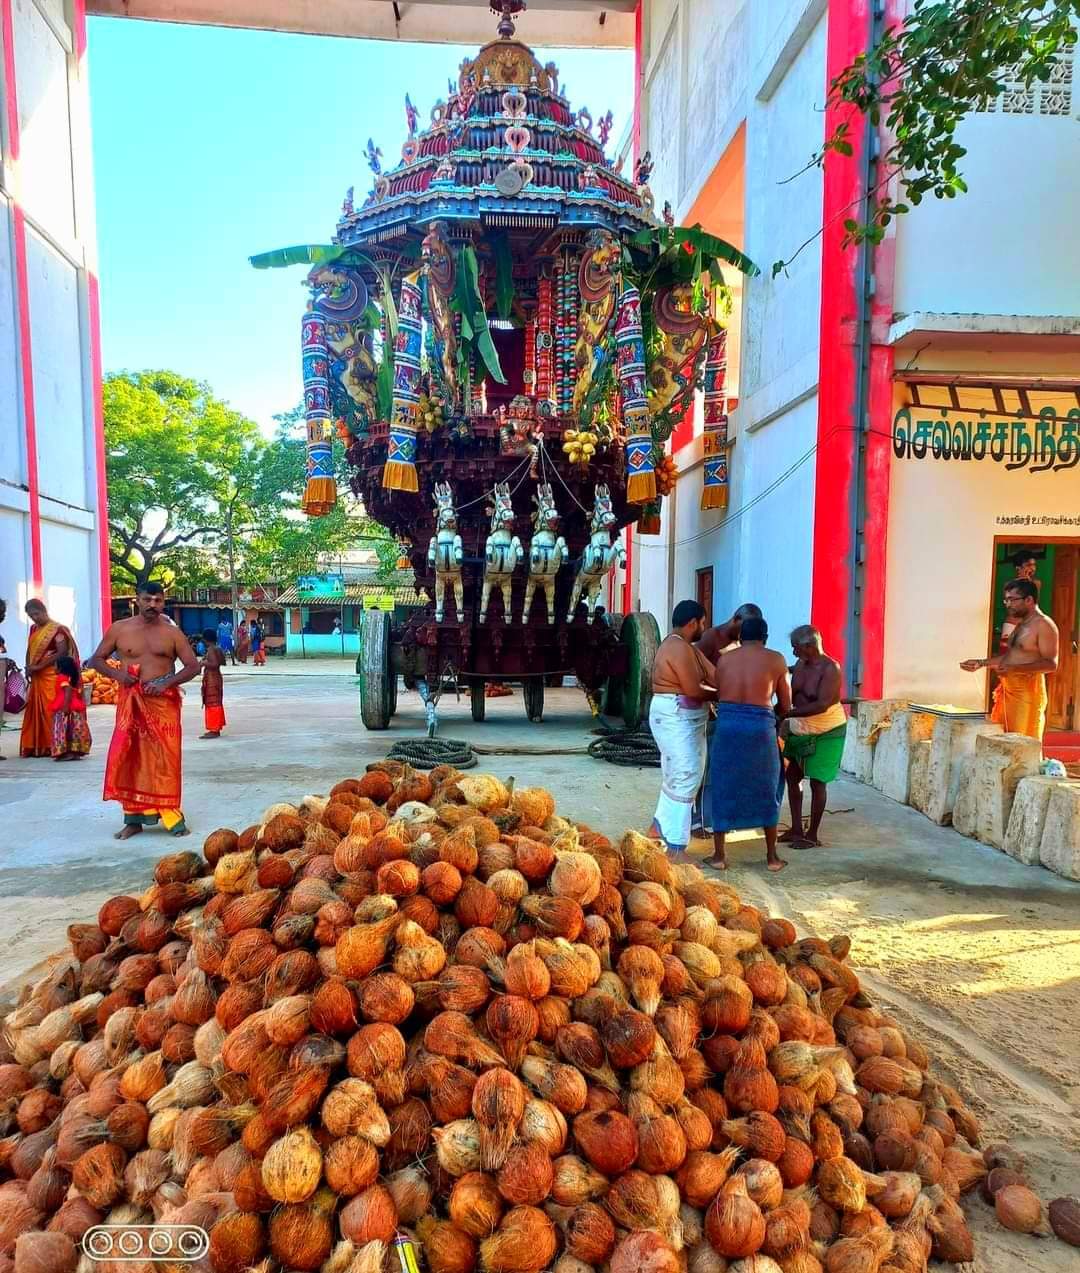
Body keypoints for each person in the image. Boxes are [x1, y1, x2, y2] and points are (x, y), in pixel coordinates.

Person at [89, 582, 200, 838]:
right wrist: (120, 676)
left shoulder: (172, 633)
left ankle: (172, 817)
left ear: (163, 602)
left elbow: (193, 666)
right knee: (131, 758)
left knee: (166, 760)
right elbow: (96, 659)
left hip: (163, 705)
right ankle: (133, 820)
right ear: (137, 600)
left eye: (158, 600)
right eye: (147, 599)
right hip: (131, 703)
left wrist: (166, 683)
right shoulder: (120, 629)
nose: (152, 604)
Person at [708, 615, 791, 872]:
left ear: (741, 637)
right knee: (767, 786)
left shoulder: (724, 659)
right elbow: (786, 705)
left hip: (728, 726)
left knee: (723, 785)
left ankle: (719, 856)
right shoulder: (776, 660)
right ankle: (772, 858)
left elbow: (719, 694)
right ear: (765, 638)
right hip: (760, 728)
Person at [647, 600, 716, 861]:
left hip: (681, 718)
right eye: (702, 623)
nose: (704, 628)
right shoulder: (677, 648)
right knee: (685, 776)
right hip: (675, 716)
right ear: (693, 623)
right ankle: (676, 846)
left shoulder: (686, 648)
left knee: (679, 775)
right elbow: (693, 690)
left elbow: (713, 675)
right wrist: (722, 695)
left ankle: (657, 827)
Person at [693, 602, 763, 835]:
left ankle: (723, 816)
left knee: (729, 768)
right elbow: (694, 675)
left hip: (733, 714)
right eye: (743, 630)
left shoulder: (744, 643)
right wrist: (713, 699)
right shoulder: (711, 638)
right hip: (711, 713)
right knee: (707, 768)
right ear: (735, 619)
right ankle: (700, 819)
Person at [962, 578, 1058, 740]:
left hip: (1026, 695)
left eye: (1012, 600)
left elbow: (1051, 664)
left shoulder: (1044, 625)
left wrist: (1014, 669)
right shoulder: (1022, 623)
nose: (1008, 604)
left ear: (1029, 600)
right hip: (1008, 691)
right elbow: (1011, 657)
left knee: (1018, 743)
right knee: (1001, 741)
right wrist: (981, 663)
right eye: (1006, 600)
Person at [781, 625, 845, 848]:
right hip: (801, 727)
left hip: (827, 730)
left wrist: (787, 714)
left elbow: (822, 704)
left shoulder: (830, 668)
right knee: (792, 776)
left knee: (818, 783)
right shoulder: (800, 663)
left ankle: (812, 835)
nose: (794, 652)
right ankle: (797, 829)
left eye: (796, 648)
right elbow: (786, 674)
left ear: (809, 646)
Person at [20, 599, 79, 758]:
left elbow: (62, 652)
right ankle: (40, 746)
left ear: (44, 611)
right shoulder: (33, 629)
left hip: (51, 676)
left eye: (36, 614)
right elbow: (30, 651)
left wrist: (39, 666)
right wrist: (29, 667)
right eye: (31, 616)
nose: (35, 618)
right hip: (37, 677)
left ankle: (58, 745)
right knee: (36, 711)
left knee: (52, 710)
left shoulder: (57, 630)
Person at [49, 656, 92, 761]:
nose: (53, 668)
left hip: (64, 706)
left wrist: (65, 706)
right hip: (72, 706)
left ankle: (67, 752)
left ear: (60, 668)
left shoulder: (61, 677)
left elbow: (67, 691)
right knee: (73, 729)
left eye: (55, 666)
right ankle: (74, 752)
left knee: (65, 729)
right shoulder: (70, 678)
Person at [999, 549, 1040, 652]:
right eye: (1029, 565)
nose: (1032, 568)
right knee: (1007, 656)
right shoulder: (1008, 585)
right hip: (1011, 626)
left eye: (1034, 565)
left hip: (1028, 627)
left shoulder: (1036, 584)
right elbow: (1011, 608)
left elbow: (1033, 606)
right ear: (1018, 568)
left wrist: (1027, 582)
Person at [200, 628, 227, 738]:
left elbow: (214, 664)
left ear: (206, 639)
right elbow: (222, 662)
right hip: (216, 678)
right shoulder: (217, 648)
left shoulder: (211, 649)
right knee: (216, 702)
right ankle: (216, 727)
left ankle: (214, 729)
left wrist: (203, 663)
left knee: (212, 703)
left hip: (212, 678)